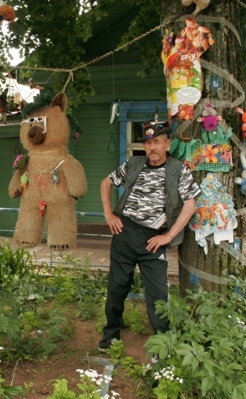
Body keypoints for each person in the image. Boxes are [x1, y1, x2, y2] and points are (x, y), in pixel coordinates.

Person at [98, 121, 201, 354]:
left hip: (153, 241)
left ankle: (162, 343)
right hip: (124, 233)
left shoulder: (178, 170)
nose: (151, 147)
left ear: (167, 143)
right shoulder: (134, 164)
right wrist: (108, 214)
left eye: (156, 142)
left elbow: (190, 204)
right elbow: (106, 183)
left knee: (157, 294)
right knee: (117, 287)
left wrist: (169, 235)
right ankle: (111, 333)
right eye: (147, 143)